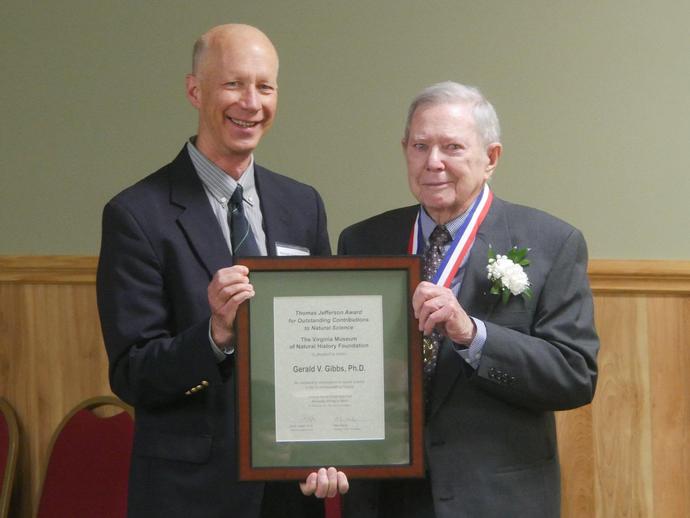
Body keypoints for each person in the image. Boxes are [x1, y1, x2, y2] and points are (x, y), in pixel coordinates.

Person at [97, 24, 346, 518]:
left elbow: (324, 344)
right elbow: (133, 374)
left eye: (265, 86)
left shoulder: (303, 205)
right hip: (188, 494)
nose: (251, 102)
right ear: (195, 90)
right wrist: (213, 334)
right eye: (233, 84)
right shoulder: (136, 214)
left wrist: (334, 443)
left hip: (288, 492)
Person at [338, 81, 599, 518]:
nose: (433, 162)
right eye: (420, 146)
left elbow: (574, 374)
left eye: (452, 147)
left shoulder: (551, 243)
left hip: (497, 498)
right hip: (385, 498)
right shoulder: (362, 240)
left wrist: (473, 335)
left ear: (490, 158)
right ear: (405, 149)